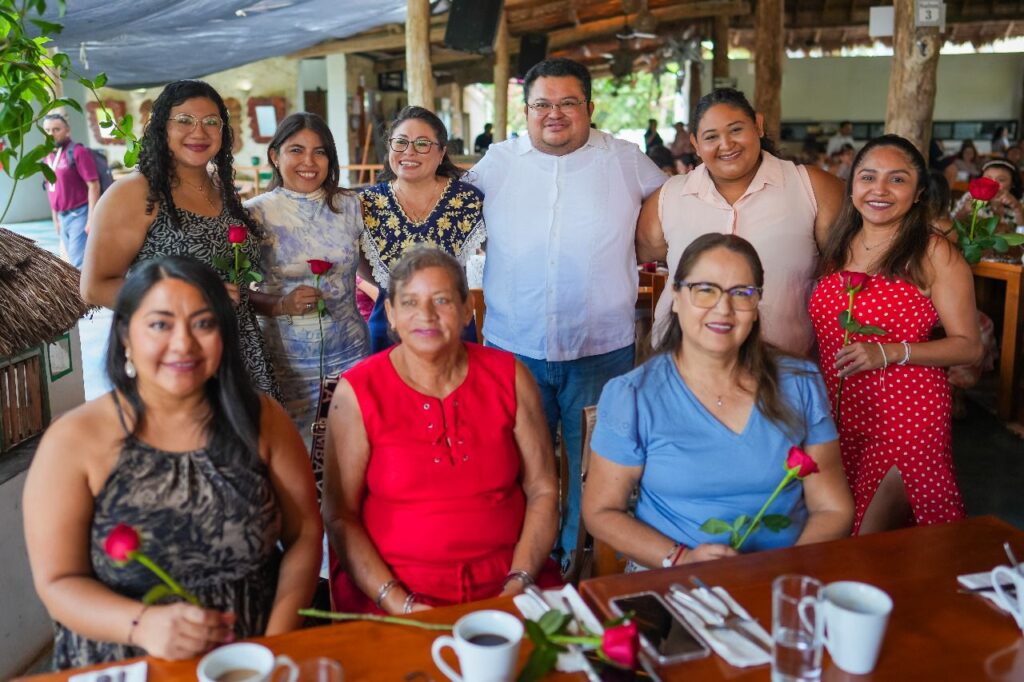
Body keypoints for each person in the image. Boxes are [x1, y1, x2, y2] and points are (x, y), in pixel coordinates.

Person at [23, 256, 322, 668]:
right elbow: (58, 583)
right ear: (126, 335)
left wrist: (272, 644)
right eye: (160, 324)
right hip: (127, 660)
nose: (183, 344)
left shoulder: (262, 418)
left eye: (203, 323)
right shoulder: (74, 440)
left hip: (250, 655)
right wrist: (143, 625)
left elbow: (304, 533)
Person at [469, 57, 667, 558]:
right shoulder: (498, 162)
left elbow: (678, 206)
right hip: (514, 350)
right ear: (526, 110)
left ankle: (579, 569)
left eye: (567, 103)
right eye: (542, 104)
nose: (553, 114)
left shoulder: (626, 160)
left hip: (601, 351)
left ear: (590, 108)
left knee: (593, 471)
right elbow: (445, 213)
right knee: (515, 467)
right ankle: (522, 567)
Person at [583, 234, 853, 569]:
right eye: (705, 290)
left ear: (756, 307)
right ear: (677, 297)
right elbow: (601, 511)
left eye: (741, 293)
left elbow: (833, 508)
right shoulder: (633, 396)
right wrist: (681, 559)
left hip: (783, 574)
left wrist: (783, 570)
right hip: (673, 578)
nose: (722, 309)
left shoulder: (799, 381)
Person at [323, 248, 559, 614]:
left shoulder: (509, 375)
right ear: (391, 315)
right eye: (410, 302)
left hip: (509, 581)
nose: (426, 315)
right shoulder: (358, 391)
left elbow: (543, 489)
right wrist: (400, 603)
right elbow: (339, 515)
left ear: (467, 309)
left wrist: (519, 581)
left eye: (442, 300)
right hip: (395, 590)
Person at [809, 134, 982, 535]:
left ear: (919, 192)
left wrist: (889, 352)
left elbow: (969, 346)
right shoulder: (836, 245)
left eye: (897, 179)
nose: (879, 190)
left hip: (907, 420)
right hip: (838, 417)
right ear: (852, 184)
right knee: (835, 535)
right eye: (868, 177)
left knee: (867, 541)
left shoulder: (934, 252)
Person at [80, 79, 279, 397]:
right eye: (184, 120)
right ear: (161, 128)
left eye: (211, 122)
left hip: (241, 351)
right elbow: (94, 287)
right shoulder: (134, 193)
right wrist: (191, 301)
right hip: (178, 355)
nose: (199, 132)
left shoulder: (222, 189)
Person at [637, 87, 844, 357]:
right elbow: (649, 252)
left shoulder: (811, 187)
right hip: (682, 364)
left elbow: (843, 264)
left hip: (782, 365)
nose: (726, 144)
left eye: (736, 130)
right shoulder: (669, 197)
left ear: (758, 125)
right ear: (696, 145)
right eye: (711, 137)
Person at [245, 112, 369, 452]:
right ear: (275, 155)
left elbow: (371, 268)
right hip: (285, 362)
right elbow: (234, 291)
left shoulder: (351, 205)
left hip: (349, 353)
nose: (309, 162)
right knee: (295, 451)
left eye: (320, 152)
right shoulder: (253, 214)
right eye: (296, 150)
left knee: (348, 447)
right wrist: (280, 304)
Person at [360, 106, 486, 353]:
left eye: (422, 143)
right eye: (401, 142)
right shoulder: (368, 203)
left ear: (441, 153)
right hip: (390, 324)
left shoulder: (468, 200)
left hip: (450, 322)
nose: (409, 151)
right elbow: (364, 267)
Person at [42, 113, 100, 268]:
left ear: (67, 130)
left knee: (78, 263)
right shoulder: (47, 157)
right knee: (73, 260)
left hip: (79, 214)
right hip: (62, 216)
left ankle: (82, 293)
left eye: (56, 129)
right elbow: (50, 188)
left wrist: (91, 218)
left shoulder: (77, 152)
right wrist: (55, 218)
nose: (51, 134)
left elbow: (93, 185)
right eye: (47, 130)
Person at [952, 158, 1024, 229]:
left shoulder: (1020, 201)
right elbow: (952, 224)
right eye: (988, 179)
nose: (992, 184)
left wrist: (1017, 208)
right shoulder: (970, 196)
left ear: (1012, 183)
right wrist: (964, 210)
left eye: (1001, 180)